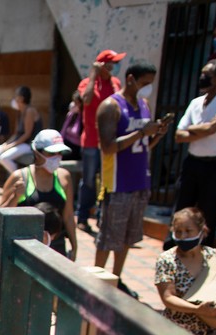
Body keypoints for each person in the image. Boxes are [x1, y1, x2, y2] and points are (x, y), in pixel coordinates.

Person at [95, 60, 169, 296]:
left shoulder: (144, 105)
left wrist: (155, 134)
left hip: (140, 181)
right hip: (117, 183)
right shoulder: (110, 107)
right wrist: (140, 132)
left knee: (128, 236)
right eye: (145, 83)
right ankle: (95, 279)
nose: (147, 88)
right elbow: (107, 147)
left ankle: (116, 278)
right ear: (130, 79)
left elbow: (144, 145)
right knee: (109, 237)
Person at [168, 59, 216, 249]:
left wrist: (193, 131)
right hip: (193, 162)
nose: (202, 78)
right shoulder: (196, 102)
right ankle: (175, 245)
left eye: (206, 75)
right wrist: (202, 130)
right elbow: (178, 135)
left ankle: (203, 249)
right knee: (182, 205)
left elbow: (212, 128)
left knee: (209, 209)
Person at [0, 129, 78, 259]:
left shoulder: (65, 177)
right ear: (37, 153)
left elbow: (68, 215)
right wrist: (15, 197)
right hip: (26, 247)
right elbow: (1, 216)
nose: (56, 157)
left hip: (56, 247)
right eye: (51, 153)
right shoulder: (19, 177)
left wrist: (74, 245)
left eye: (59, 153)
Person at [76, 50, 125, 235]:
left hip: (110, 142)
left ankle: (101, 217)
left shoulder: (116, 84)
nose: (115, 67)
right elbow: (86, 100)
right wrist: (93, 75)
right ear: (102, 65)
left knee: (107, 181)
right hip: (91, 141)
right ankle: (82, 217)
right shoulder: (87, 84)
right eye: (112, 63)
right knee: (88, 181)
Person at [0, 86, 43, 177]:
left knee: (4, 158)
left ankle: (20, 179)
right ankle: (18, 174)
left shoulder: (30, 111)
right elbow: (16, 133)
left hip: (29, 144)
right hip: (19, 143)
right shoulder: (19, 112)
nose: (14, 99)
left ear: (21, 98)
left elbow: (27, 134)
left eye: (16, 96)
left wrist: (11, 146)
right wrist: (6, 144)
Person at [62, 91, 83, 160]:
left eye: (76, 103)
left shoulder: (84, 118)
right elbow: (63, 130)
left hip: (76, 148)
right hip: (66, 143)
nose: (74, 105)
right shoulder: (71, 114)